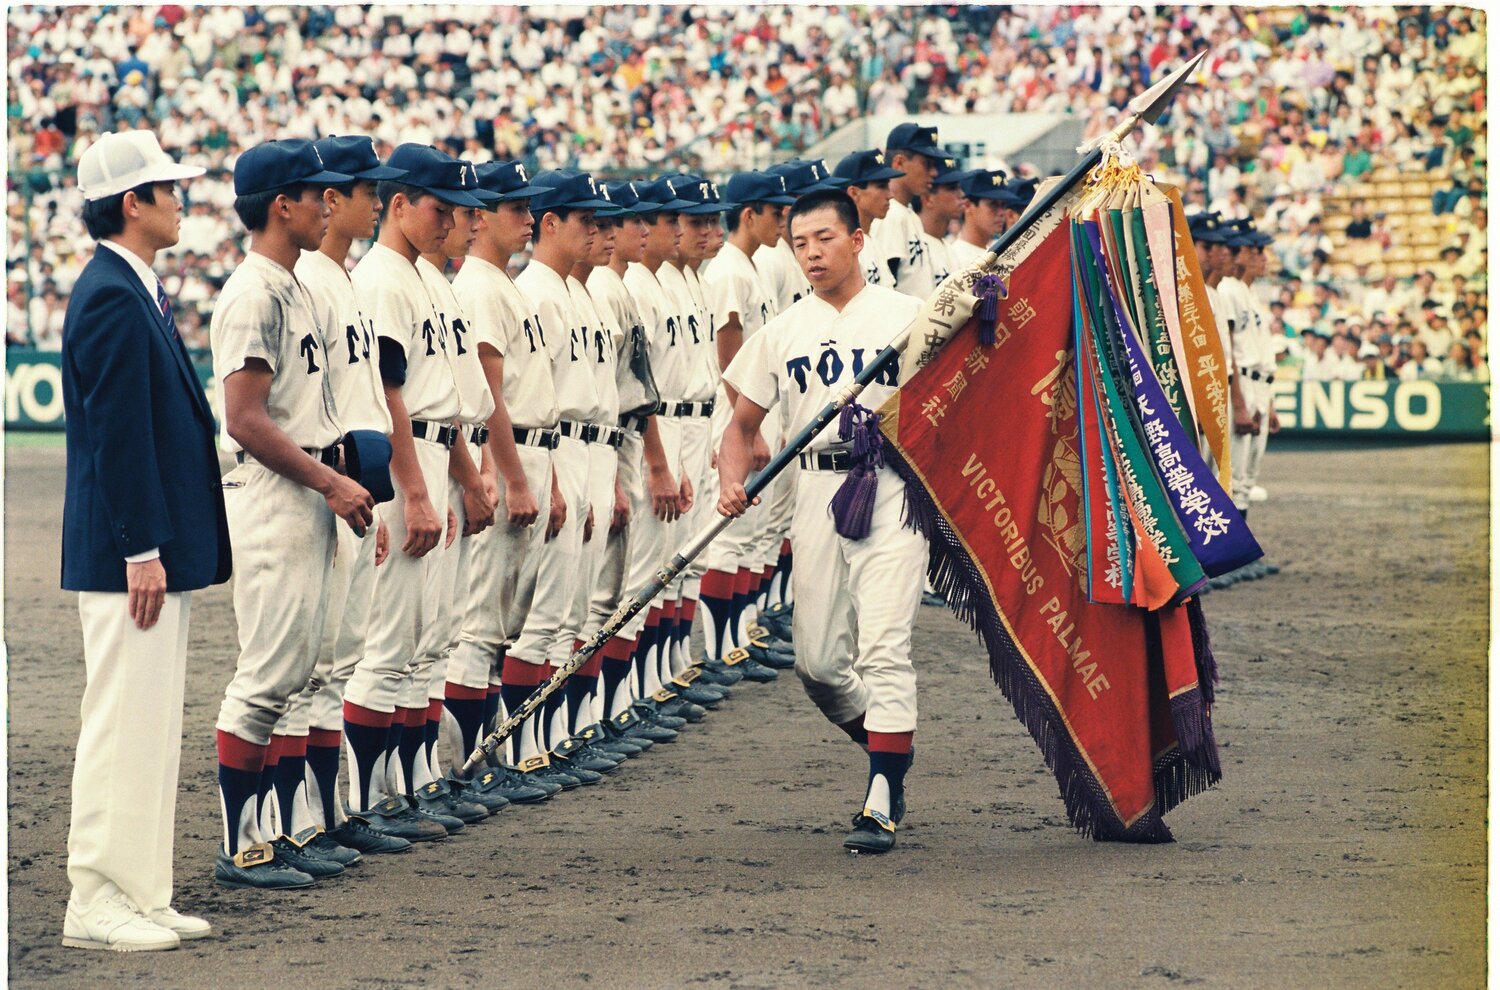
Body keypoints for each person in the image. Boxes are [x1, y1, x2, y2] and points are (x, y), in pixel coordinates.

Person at [718, 189, 926, 856]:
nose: (811, 252)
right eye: (800, 242)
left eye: (824, 238)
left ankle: (881, 797)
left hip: (889, 483)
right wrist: (730, 478)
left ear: (858, 240)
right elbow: (741, 425)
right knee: (817, 662)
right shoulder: (783, 330)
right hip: (813, 487)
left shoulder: (910, 317)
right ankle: (888, 747)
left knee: (884, 644)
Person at [61, 130, 228, 950]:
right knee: (123, 721)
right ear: (134, 203)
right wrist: (140, 549)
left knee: (152, 726)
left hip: (147, 546)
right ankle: (96, 897)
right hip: (128, 552)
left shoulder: (132, 288)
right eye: (170, 189)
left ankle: (141, 890)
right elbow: (117, 434)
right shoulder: (108, 295)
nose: (182, 200)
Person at [210, 139, 377, 889]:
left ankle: (279, 834)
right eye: (316, 193)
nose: (327, 205)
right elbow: (244, 418)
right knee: (265, 676)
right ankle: (241, 845)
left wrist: (339, 476)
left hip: (305, 489)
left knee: (297, 671)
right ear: (282, 204)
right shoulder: (253, 291)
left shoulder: (294, 284)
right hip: (273, 494)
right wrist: (329, 482)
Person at [342, 144, 484, 843]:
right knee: (390, 641)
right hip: (406, 463)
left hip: (435, 451)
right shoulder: (384, 281)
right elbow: (390, 391)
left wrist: (460, 478)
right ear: (398, 204)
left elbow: (443, 397)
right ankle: (370, 800)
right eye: (439, 207)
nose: (450, 220)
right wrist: (417, 492)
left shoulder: (424, 277)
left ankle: (411, 784)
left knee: (429, 640)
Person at [288, 135, 410, 859]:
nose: (374, 202)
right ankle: (303, 820)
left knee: (342, 658)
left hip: (358, 484)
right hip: (320, 485)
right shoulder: (312, 282)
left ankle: (332, 810)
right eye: (368, 190)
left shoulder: (347, 279)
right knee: (314, 664)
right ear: (331, 198)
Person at [447, 160, 564, 798]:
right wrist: (509, 477)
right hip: (507, 458)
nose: (526, 219)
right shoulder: (482, 288)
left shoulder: (503, 284)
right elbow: (490, 399)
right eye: (514, 209)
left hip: (532, 453)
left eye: (528, 208)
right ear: (480, 215)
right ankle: (466, 767)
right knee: (479, 625)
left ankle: (487, 756)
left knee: (503, 624)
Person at [870, 122, 944, 297]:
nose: (934, 172)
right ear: (899, 162)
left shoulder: (906, 212)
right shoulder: (890, 215)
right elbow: (886, 290)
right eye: (927, 164)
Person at [832, 149, 906, 288]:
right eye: (882, 186)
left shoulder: (869, 240)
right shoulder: (845, 247)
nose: (890, 194)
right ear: (854, 193)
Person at [914, 155, 966, 290]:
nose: (961, 195)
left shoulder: (949, 249)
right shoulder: (914, 245)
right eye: (952, 188)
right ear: (928, 198)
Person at [949, 168, 1009, 269]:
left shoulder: (994, 254)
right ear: (967, 205)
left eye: (1003, 205)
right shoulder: (955, 258)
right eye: (993, 204)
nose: (1001, 212)